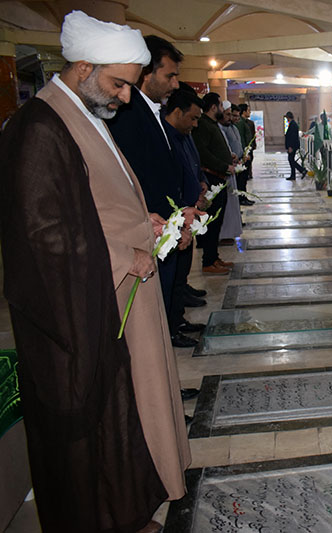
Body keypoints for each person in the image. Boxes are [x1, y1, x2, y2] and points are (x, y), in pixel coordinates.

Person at [0, 11, 190, 531]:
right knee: (96, 425)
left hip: (116, 294)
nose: (126, 96)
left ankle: (127, 513)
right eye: (119, 84)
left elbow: (96, 202)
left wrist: (144, 222)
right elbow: (42, 236)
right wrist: (123, 257)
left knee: (125, 415)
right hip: (84, 307)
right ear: (84, 68)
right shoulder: (37, 127)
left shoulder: (82, 114)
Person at [106, 34, 203, 349]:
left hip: (164, 227)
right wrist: (162, 222)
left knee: (165, 299)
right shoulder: (128, 115)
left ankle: (171, 335)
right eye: (170, 75)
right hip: (150, 230)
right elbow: (132, 179)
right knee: (149, 320)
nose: (175, 84)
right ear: (146, 73)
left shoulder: (152, 112)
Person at [163, 87, 209, 340]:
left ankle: (178, 319)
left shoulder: (183, 136)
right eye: (192, 118)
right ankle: (172, 328)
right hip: (175, 216)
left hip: (187, 213)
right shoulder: (166, 137)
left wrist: (200, 184)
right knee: (172, 275)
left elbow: (193, 164)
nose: (194, 124)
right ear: (178, 112)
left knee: (181, 272)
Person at [192, 91, 235, 274]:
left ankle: (214, 257)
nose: (222, 109)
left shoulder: (211, 124)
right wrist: (223, 165)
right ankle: (208, 261)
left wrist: (228, 157)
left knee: (217, 221)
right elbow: (203, 153)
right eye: (220, 105)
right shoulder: (203, 124)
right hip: (212, 177)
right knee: (212, 221)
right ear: (213, 107)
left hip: (219, 177)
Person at [217, 100, 243, 241]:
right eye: (227, 114)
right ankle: (225, 234)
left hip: (231, 167)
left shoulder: (230, 127)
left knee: (232, 204)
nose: (230, 118)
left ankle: (231, 232)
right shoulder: (218, 128)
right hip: (222, 170)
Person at [284, 110, 305, 180]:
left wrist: (290, 147)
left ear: (288, 117)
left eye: (287, 118)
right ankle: (293, 175)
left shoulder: (293, 124)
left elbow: (292, 137)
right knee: (291, 160)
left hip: (292, 146)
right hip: (292, 146)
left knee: (291, 160)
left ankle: (302, 170)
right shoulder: (292, 124)